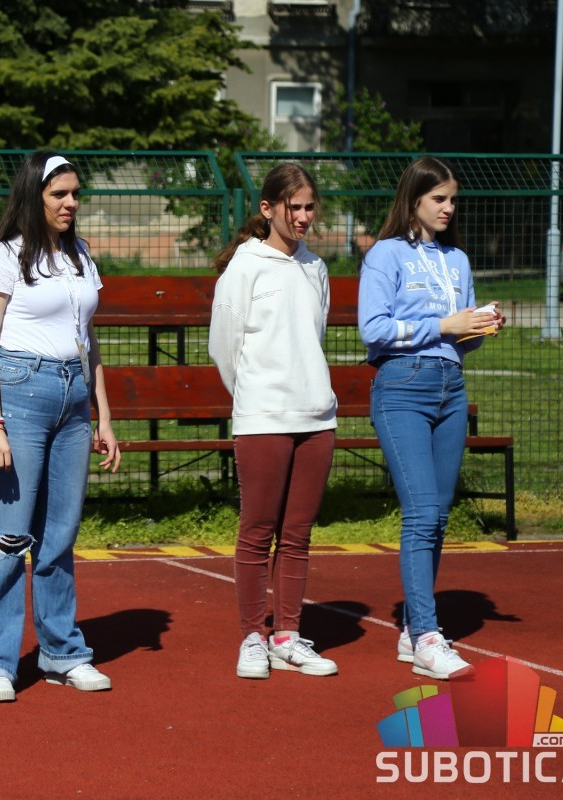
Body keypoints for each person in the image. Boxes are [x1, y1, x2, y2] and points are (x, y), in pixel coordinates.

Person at [0, 151, 121, 703]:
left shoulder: (80, 254)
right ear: (34, 196)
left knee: (59, 534)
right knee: (6, 534)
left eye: (75, 194)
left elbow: (88, 338)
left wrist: (103, 414)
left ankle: (61, 651)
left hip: (74, 398)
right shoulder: (3, 257)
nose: (71, 203)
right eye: (59, 194)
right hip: (18, 394)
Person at [358, 155, 505, 680]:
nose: (448, 208)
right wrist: (445, 324)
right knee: (422, 513)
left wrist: (482, 326)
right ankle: (425, 635)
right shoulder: (385, 254)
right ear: (414, 199)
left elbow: (460, 343)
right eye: (438, 198)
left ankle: (412, 631)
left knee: (438, 515)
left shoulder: (458, 260)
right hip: (402, 386)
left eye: (452, 200)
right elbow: (373, 330)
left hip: (450, 386)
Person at [208, 164, 339, 680]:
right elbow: (224, 349)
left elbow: (313, 337)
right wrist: (255, 399)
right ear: (267, 209)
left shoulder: (316, 268)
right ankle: (252, 637)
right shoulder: (244, 268)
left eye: (310, 207)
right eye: (294, 207)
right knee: (256, 532)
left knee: (297, 534)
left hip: (317, 417)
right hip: (262, 417)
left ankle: (287, 635)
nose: (303, 217)